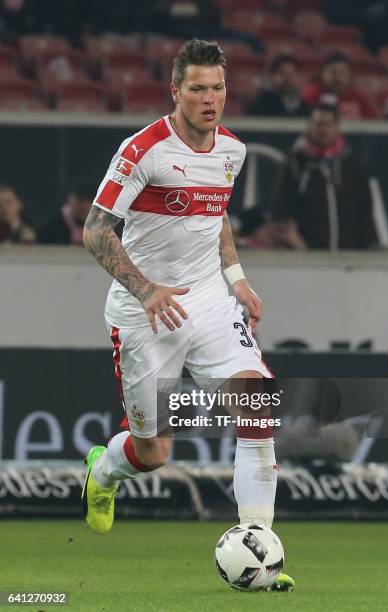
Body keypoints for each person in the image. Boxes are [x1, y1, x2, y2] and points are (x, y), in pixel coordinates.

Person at [81, 39, 293, 591]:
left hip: (207, 300)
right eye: (197, 88)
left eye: (218, 88)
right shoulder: (143, 149)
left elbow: (214, 214)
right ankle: (103, 471)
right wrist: (148, 290)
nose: (209, 99)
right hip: (144, 311)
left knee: (256, 404)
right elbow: (96, 229)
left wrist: (236, 278)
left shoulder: (234, 151)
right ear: (175, 91)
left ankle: (260, 551)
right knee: (153, 453)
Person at [272, 103, 376, 250]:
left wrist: (365, 249)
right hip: (307, 258)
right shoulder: (295, 163)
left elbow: (365, 211)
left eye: (329, 124)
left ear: (337, 127)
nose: (323, 130)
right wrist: (299, 247)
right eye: (318, 124)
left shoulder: (353, 163)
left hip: (349, 259)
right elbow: (281, 210)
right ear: (309, 126)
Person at [302, 53, 377, 120]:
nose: (338, 77)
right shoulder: (312, 94)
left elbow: (374, 122)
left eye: (343, 72)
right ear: (321, 74)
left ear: (350, 76)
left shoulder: (357, 98)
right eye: (333, 72)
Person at [247, 54, 309, 118]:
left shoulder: (300, 102)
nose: (288, 78)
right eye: (282, 73)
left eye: (292, 74)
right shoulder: (263, 101)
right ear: (272, 75)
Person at [39, 180, 97, 245]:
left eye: (89, 200)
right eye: (81, 199)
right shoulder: (52, 228)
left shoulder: (103, 227)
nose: (84, 205)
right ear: (70, 198)